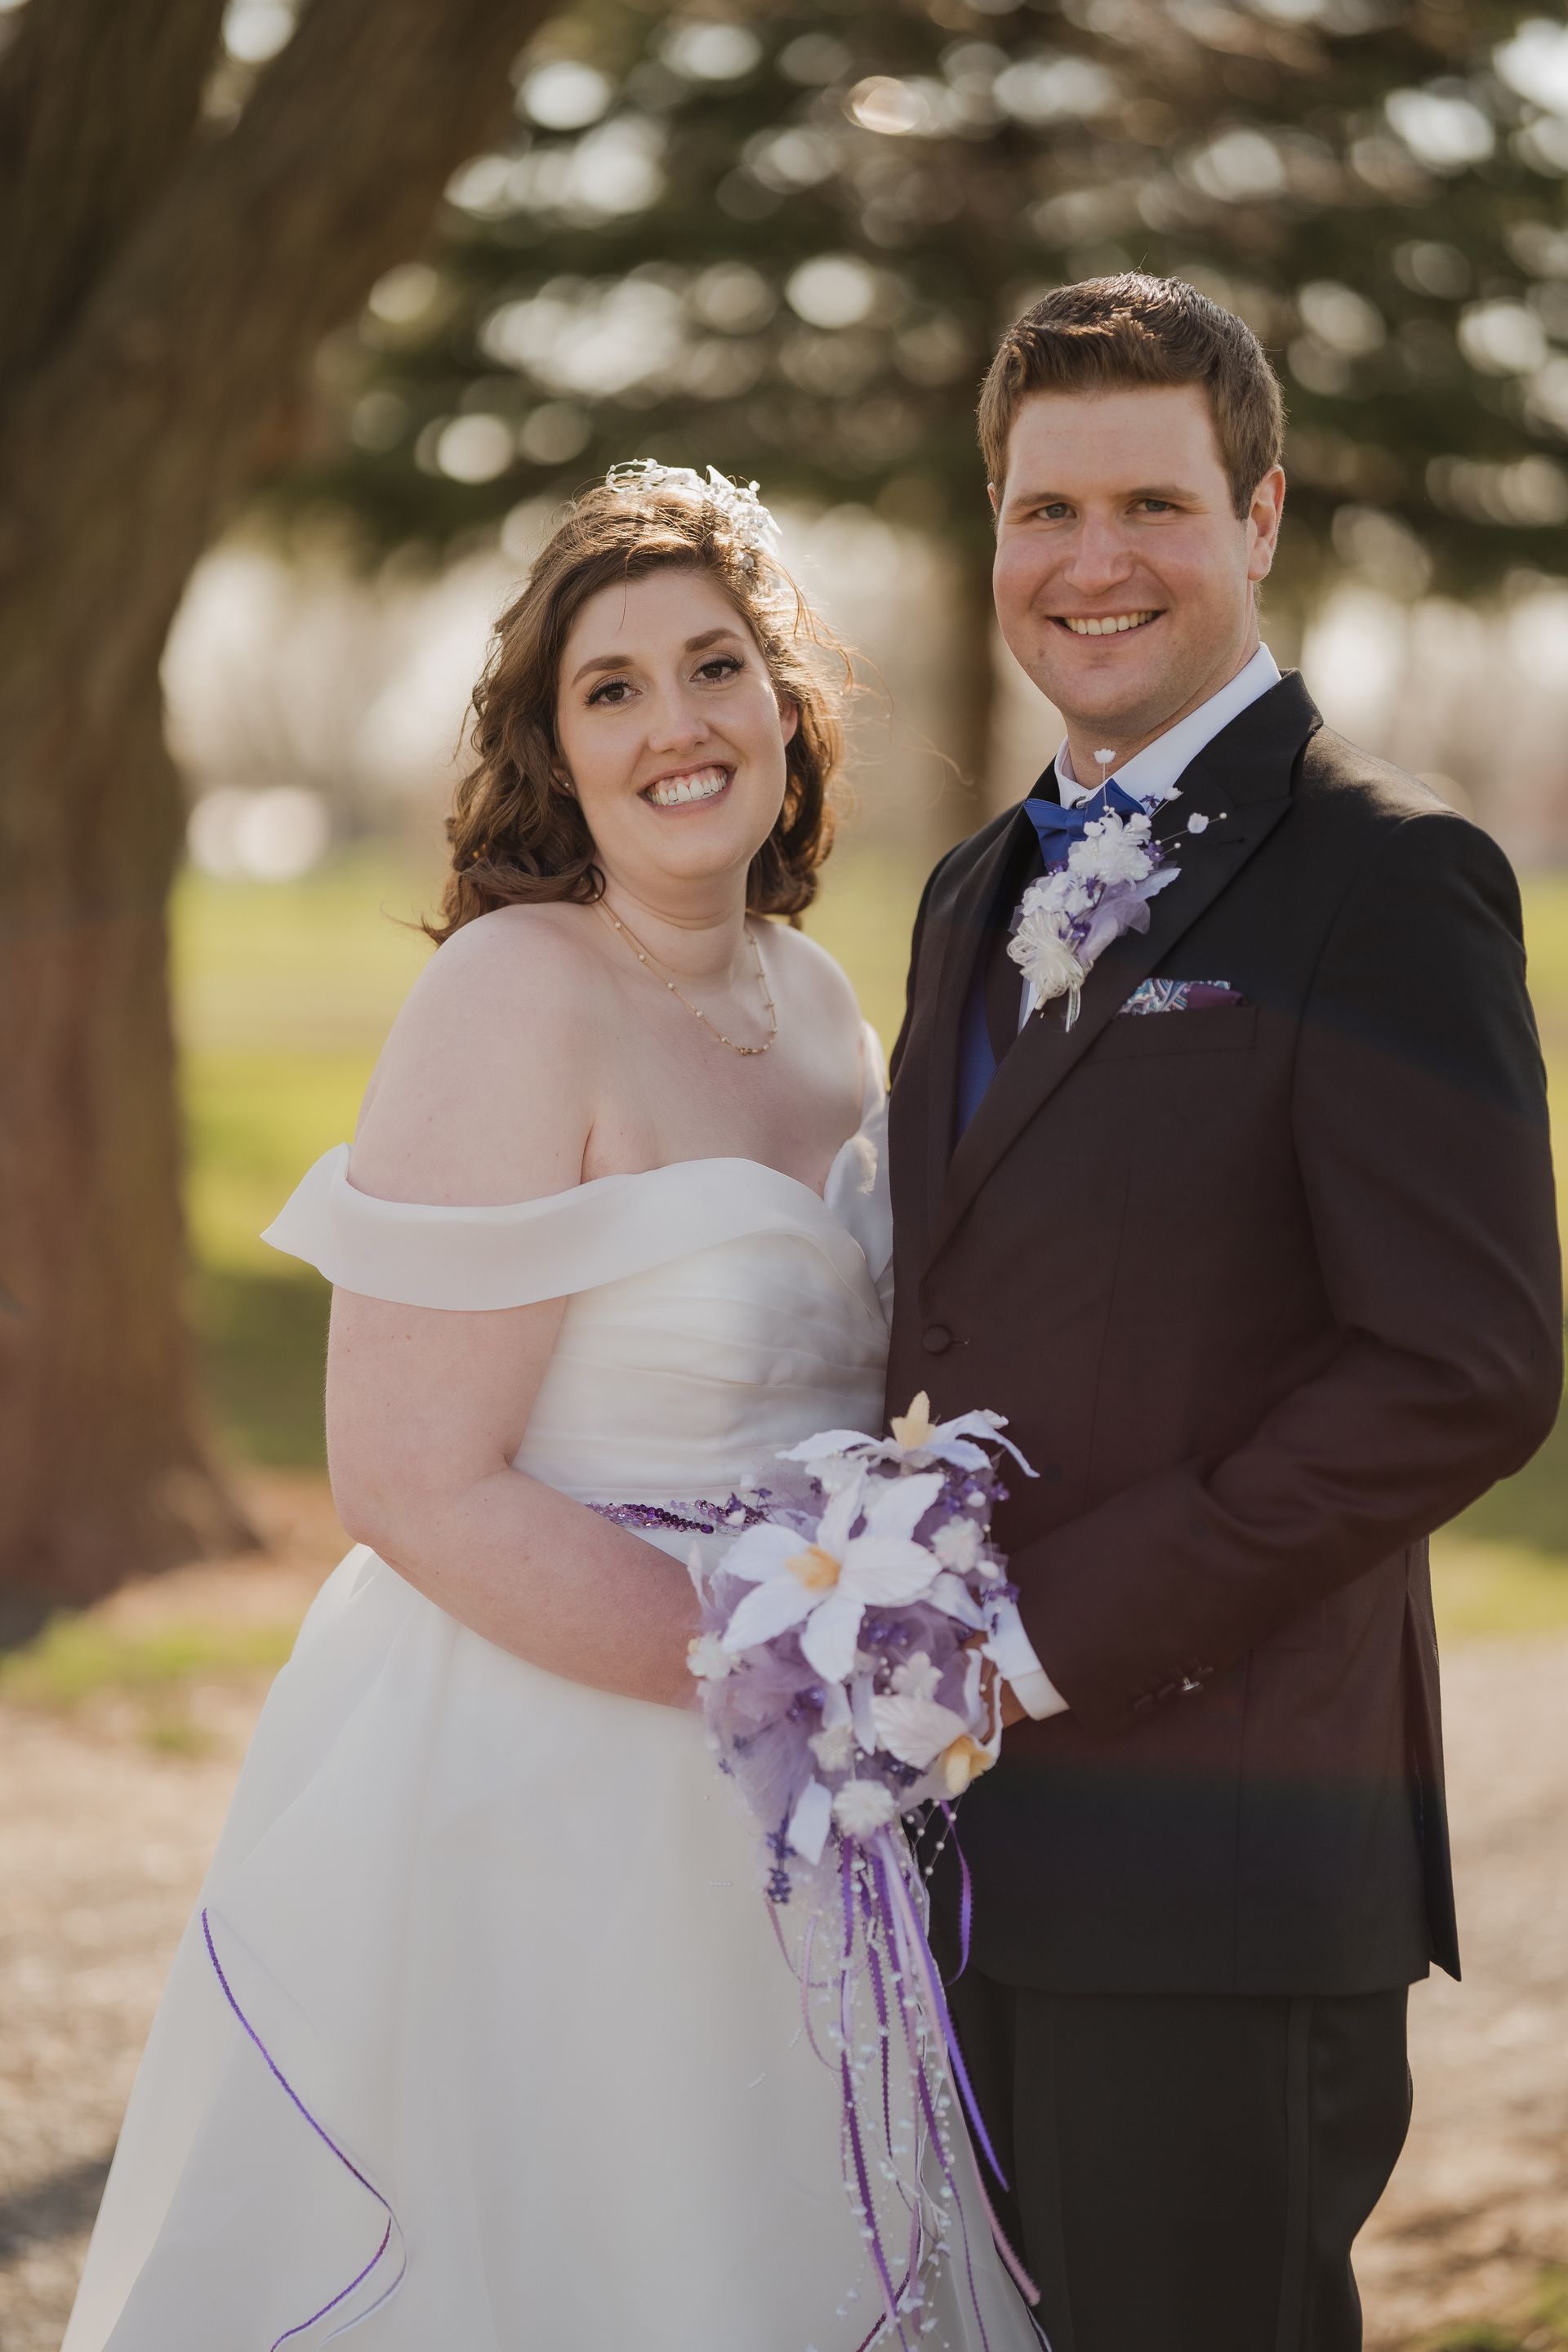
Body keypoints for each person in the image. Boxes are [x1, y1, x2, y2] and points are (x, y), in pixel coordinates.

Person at [64, 466, 1040, 2352]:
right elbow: (408, 1478)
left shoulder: (827, 1006)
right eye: (612, 690)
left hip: (795, 1795)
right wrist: (772, 1673)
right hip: (550, 1765)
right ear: (554, 751)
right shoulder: (514, 995)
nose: (674, 723)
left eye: (715, 667)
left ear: (786, 708)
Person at [887, 273, 1564, 2352]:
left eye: (1155, 505)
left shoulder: (1391, 875)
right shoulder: (967, 885)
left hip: (1223, 1869)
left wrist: (1041, 1638)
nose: (1094, 563)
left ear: (1259, 518)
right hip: (962, 1860)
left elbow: (1465, 1368)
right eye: (1044, 509)